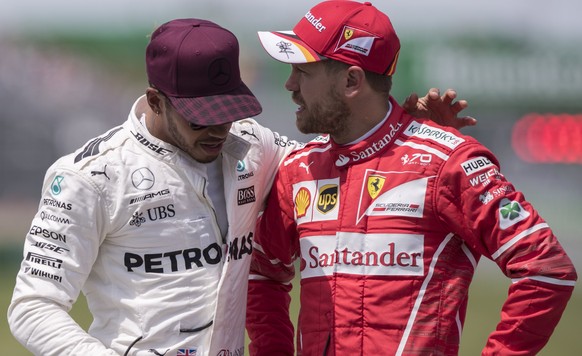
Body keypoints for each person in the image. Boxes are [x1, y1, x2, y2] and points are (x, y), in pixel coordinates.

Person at [7, 17, 471, 356]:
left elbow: (340, 160)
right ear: (155, 100)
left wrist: (405, 131)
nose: (220, 129)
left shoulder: (256, 146)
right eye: (202, 117)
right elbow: (32, 308)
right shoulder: (88, 177)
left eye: (229, 110)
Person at [246, 1, 578, 355]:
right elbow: (263, 274)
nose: (289, 84)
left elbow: (546, 269)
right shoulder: (299, 169)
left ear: (351, 80)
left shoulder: (447, 163)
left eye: (303, 71)